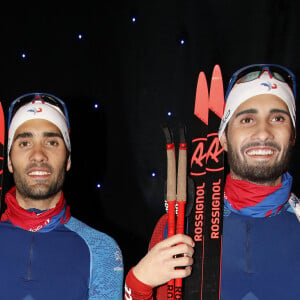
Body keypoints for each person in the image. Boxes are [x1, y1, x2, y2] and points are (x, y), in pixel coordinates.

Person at [124, 64, 300, 299]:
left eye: (278, 118)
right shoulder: (178, 225)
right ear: (223, 139)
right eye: (247, 119)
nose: (263, 133)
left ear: (293, 136)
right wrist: (137, 285)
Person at [0, 92, 123, 299]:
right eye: (24, 143)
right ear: (10, 162)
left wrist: (139, 287)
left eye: (52, 142)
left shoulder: (101, 249)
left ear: (68, 160)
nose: (38, 154)